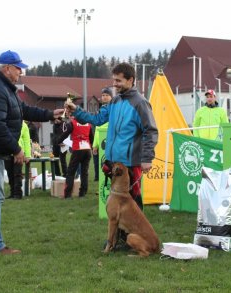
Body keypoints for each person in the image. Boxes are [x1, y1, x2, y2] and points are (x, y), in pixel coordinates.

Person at [0, 50, 64, 254]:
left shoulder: (5, 88)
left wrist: (49, 114)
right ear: (7, 68)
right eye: (18, 68)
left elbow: (24, 110)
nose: (21, 72)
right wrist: (16, 148)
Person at [65, 62, 158, 210]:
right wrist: (76, 110)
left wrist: (147, 158)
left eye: (118, 80)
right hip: (114, 162)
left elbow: (151, 131)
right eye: (114, 80)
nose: (114, 84)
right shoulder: (115, 101)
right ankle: (121, 234)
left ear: (130, 80)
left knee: (132, 206)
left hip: (130, 164)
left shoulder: (141, 103)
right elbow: (97, 119)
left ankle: (135, 233)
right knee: (118, 207)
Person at [54, 114, 93, 198]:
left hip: (78, 149)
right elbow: (91, 137)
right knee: (84, 172)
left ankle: (68, 194)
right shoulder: (88, 124)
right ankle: (82, 193)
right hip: (87, 149)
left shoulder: (73, 123)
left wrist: (58, 141)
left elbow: (65, 134)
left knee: (70, 172)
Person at [92, 87, 113, 182]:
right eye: (103, 95)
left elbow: (107, 126)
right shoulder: (101, 109)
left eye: (107, 95)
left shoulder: (113, 109)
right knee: (98, 165)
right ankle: (100, 186)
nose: (104, 97)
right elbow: (97, 129)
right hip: (99, 141)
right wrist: (95, 145)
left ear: (111, 97)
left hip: (108, 141)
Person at [5, 121, 31, 200]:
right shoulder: (6, 122)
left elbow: (26, 140)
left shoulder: (24, 125)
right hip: (8, 152)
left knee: (17, 173)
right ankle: (12, 193)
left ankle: (18, 194)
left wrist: (27, 155)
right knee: (10, 173)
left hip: (19, 153)